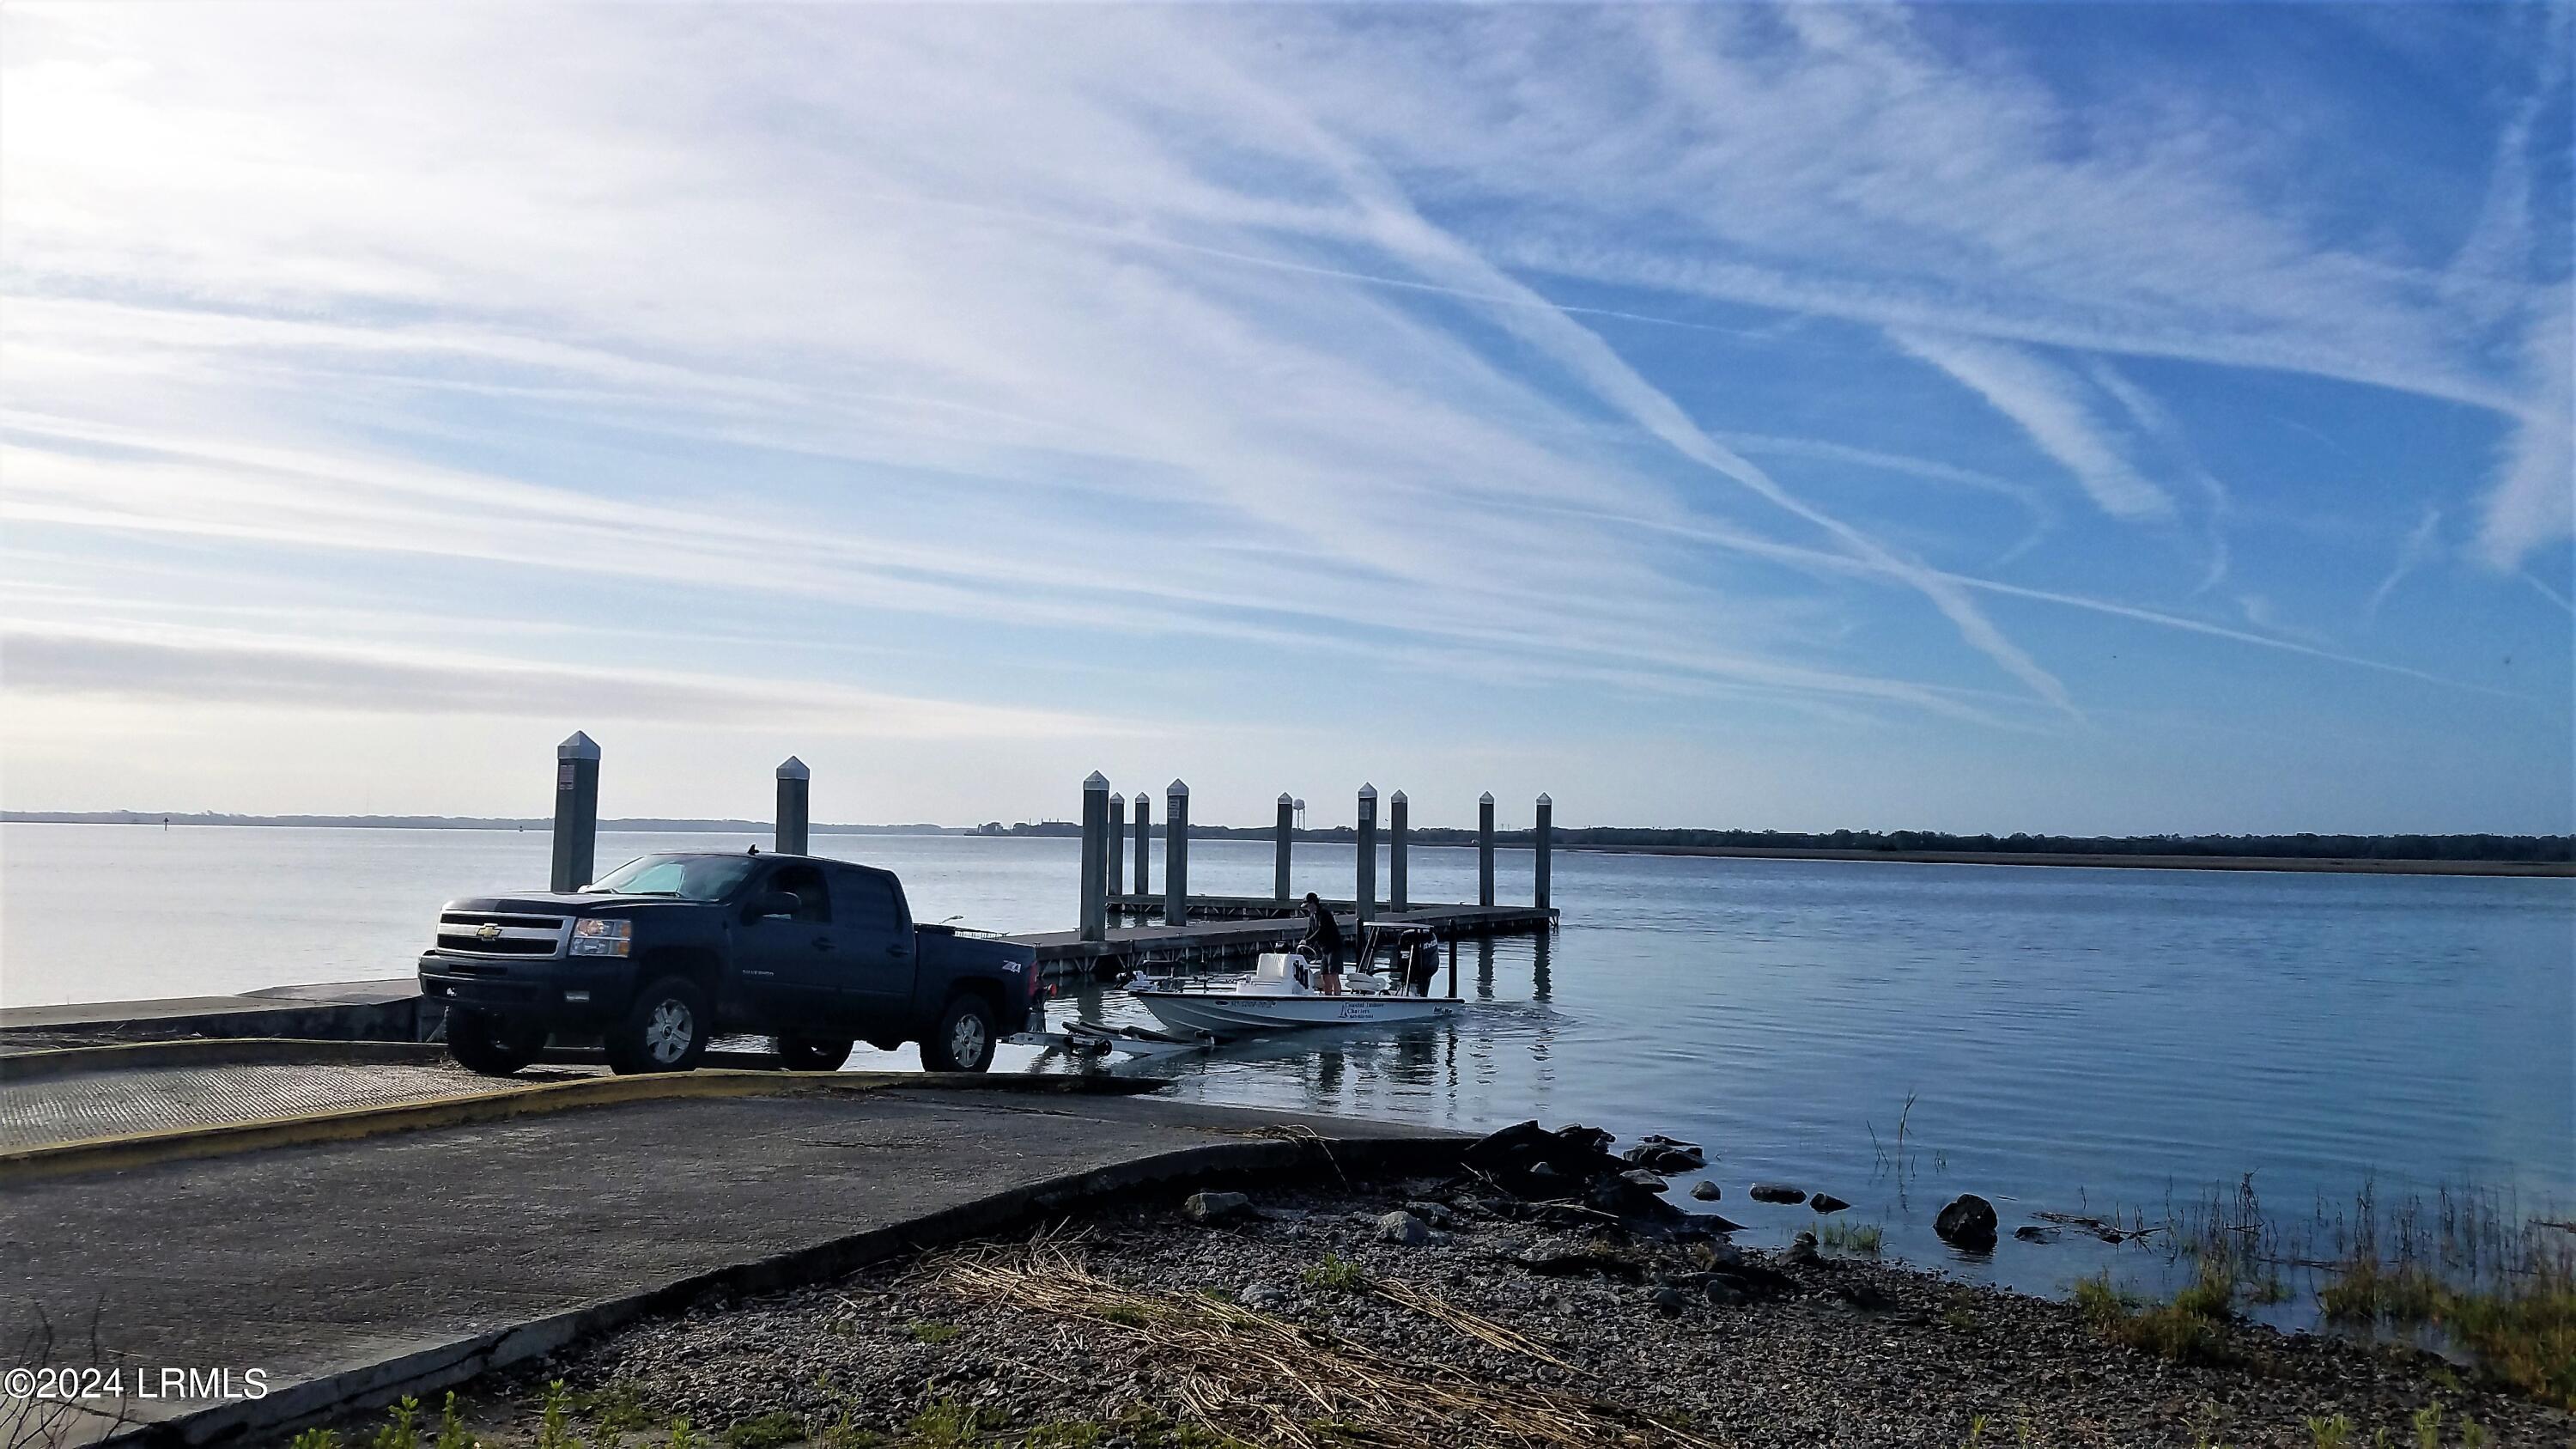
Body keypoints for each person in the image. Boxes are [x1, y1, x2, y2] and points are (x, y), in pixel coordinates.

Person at [1298, 892, 1344, 995]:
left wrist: (1309, 941)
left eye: (1308, 906)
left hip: (1334, 948)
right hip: (1325, 949)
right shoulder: (1312, 916)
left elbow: (1321, 930)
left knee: (1333, 974)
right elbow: (1310, 930)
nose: (1307, 908)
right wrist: (1304, 940)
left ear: (1313, 903)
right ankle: (1327, 996)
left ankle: (1337, 997)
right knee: (1324, 974)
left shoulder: (1324, 914)